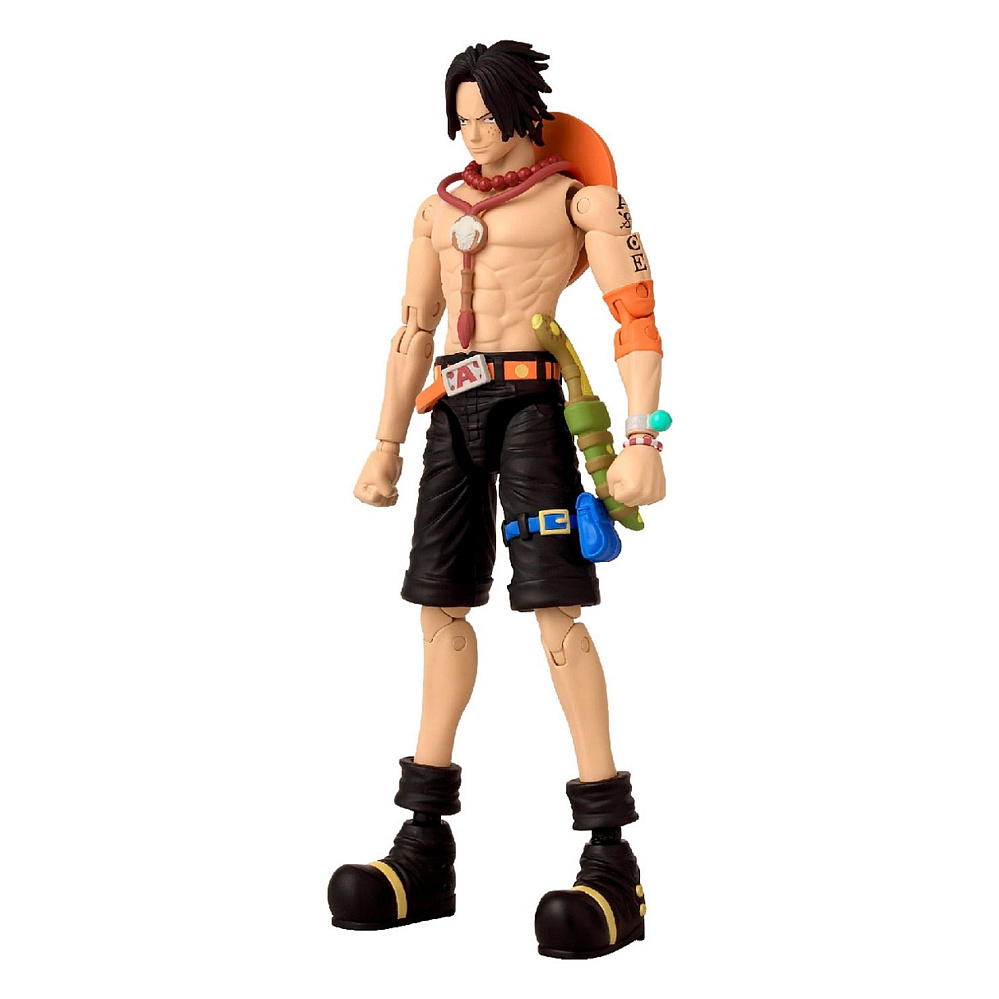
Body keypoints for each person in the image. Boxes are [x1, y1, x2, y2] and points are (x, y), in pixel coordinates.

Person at [328, 40, 666, 959]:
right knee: (438, 606)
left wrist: (642, 438)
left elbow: (635, 319)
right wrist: (385, 443)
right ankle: (422, 847)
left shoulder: (579, 202)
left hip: (531, 411)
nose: (473, 134)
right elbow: (412, 327)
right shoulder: (436, 209)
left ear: (523, 112)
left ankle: (610, 857)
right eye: (462, 119)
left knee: (554, 610)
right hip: (453, 410)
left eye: (486, 116)